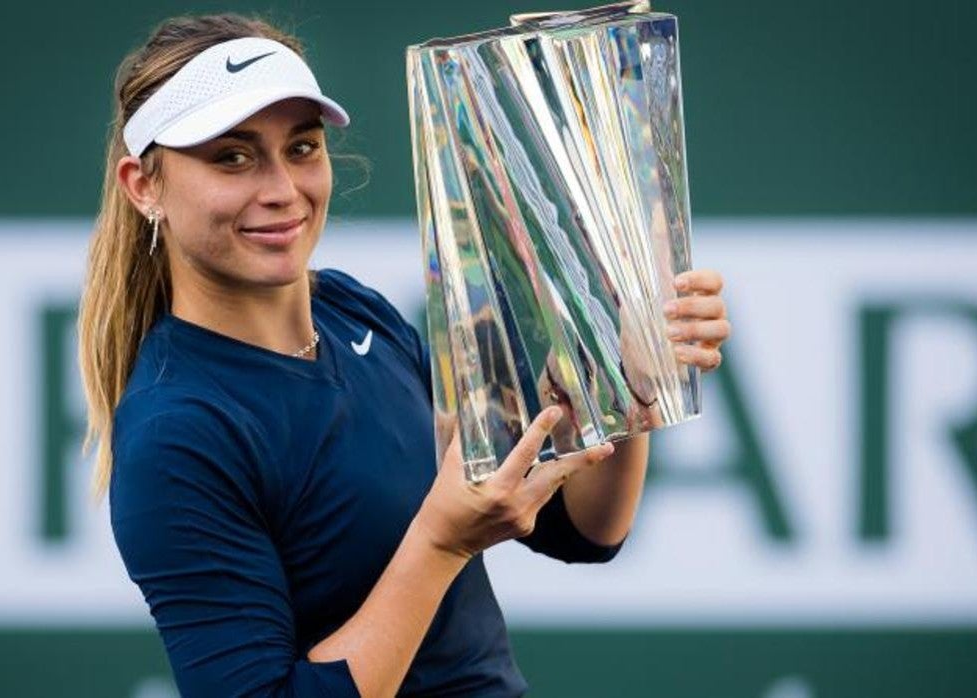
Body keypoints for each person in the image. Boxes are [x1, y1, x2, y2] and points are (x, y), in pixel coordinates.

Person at [77, 14, 731, 698]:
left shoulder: (357, 313)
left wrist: (627, 382)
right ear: (142, 185)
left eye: (301, 148)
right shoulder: (177, 432)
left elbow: (582, 531)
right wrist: (441, 544)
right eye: (232, 158)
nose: (280, 188)